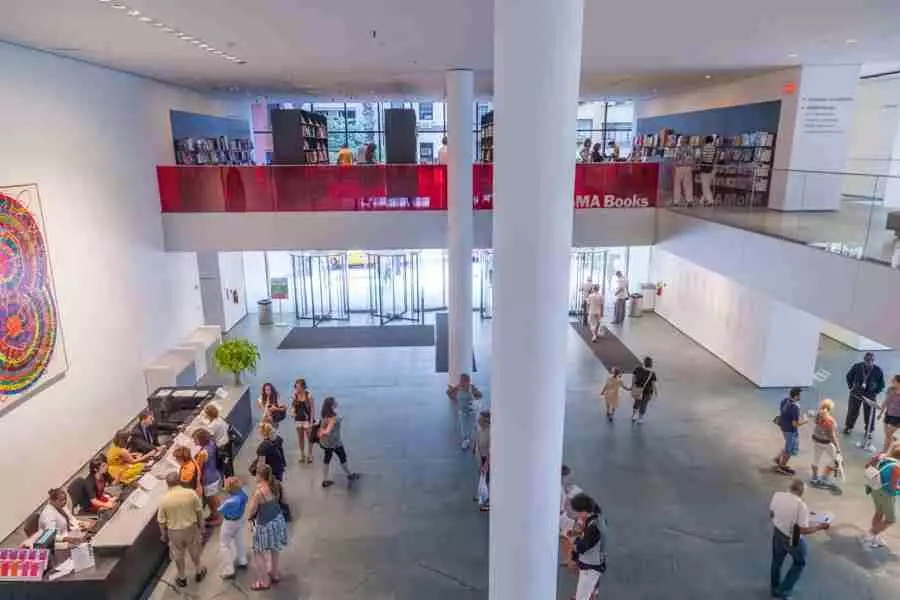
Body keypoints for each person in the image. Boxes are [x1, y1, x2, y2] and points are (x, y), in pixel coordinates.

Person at [769, 479, 830, 599]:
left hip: (778, 532)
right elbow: (803, 530)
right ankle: (784, 590)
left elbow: (771, 513)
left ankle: (774, 588)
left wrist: (782, 520)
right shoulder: (800, 506)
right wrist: (820, 527)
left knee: (777, 561)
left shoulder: (778, 495)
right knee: (799, 562)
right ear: (802, 491)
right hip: (793, 536)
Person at [158, 473, 207, 588]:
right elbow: (199, 511)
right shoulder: (190, 493)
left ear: (167, 484)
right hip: (191, 528)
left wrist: (163, 535)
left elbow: (161, 521)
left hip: (174, 532)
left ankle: (182, 577)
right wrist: (202, 526)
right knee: (194, 549)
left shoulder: (164, 499)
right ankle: (199, 571)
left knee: (178, 555)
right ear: (179, 481)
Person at [248, 464, 289, 591]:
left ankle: (264, 582)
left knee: (258, 552)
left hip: (264, 524)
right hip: (277, 520)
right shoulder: (277, 484)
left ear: (260, 475)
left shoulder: (259, 492)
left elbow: (252, 510)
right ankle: (274, 573)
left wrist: (249, 519)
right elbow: (286, 501)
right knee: (274, 547)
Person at [568, 493, 608, 600]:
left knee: (582, 597)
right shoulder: (598, 519)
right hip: (596, 564)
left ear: (584, 511)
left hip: (590, 567)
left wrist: (573, 541)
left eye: (577, 512)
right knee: (589, 593)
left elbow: (582, 547)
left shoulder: (593, 528)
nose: (576, 515)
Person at [862, 444, 900, 548]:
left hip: (875, 488)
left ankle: (874, 536)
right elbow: (893, 487)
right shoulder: (896, 467)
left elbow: (867, 466)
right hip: (886, 494)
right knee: (890, 519)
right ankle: (870, 535)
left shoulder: (882, 457)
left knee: (879, 512)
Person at [318, 397, 360, 488]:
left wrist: (321, 433)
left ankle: (324, 480)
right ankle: (349, 475)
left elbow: (322, 427)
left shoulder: (324, 415)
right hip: (334, 442)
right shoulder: (333, 418)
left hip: (325, 443)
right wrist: (324, 432)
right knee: (343, 457)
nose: (336, 402)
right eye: (335, 402)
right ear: (332, 405)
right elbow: (328, 431)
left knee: (327, 459)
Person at [844, 352, 885, 443]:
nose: (869, 362)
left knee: (870, 414)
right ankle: (848, 427)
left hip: (870, 396)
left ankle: (869, 431)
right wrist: (851, 387)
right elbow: (849, 376)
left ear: (874, 361)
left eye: (871, 361)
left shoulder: (878, 370)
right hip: (856, 393)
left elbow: (882, 384)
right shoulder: (857, 366)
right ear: (864, 360)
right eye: (867, 361)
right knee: (852, 411)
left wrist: (875, 392)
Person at [218, 476, 249, 579]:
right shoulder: (243, 494)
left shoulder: (229, 502)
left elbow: (220, 510)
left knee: (224, 544)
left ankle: (229, 570)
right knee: (239, 539)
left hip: (229, 523)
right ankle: (242, 560)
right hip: (240, 519)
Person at [191, 428, 222, 525]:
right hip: (214, 474)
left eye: (195, 439)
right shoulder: (211, 443)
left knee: (211, 500)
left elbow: (198, 467)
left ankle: (217, 518)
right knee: (214, 497)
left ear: (201, 439)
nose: (194, 441)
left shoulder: (203, 453)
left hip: (208, 480)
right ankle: (214, 515)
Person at [193, 403, 233, 477]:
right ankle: (231, 477)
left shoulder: (212, 426)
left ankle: (228, 481)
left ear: (209, 415)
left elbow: (208, 437)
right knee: (229, 463)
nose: (205, 416)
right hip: (227, 443)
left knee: (224, 465)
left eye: (206, 414)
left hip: (221, 447)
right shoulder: (219, 418)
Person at [774, 388, 807, 475]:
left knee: (789, 445)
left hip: (783, 427)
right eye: (799, 395)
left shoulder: (785, 400)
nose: (800, 396)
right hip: (790, 430)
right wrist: (805, 421)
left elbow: (783, 412)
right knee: (789, 449)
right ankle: (782, 467)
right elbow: (795, 424)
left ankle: (778, 458)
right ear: (796, 396)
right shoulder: (795, 407)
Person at [447, 373, 483, 450]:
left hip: (471, 411)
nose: (462, 382)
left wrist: (474, 395)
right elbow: (448, 392)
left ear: (468, 381)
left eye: (464, 381)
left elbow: (480, 395)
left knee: (470, 427)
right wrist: (455, 399)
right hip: (462, 411)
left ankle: (472, 440)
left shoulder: (472, 387)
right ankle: (466, 440)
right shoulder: (458, 387)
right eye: (461, 380)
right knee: (463, 428)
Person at [810, 399, 842, 487]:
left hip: (816, 440)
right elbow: (831, 436)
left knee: (816, 459)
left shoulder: (818, 415)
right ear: (830, 409)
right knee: (835, 460)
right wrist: (838, 447)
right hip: (825, 443)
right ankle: (824, 478)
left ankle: (814, 478)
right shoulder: (830, 420)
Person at [559, 465, 583, 568]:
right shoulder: (559, 488)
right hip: (561, 516)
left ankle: (571, 559)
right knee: (567, 538)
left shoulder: (559, 487)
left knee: (567, 538)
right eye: (567, 476)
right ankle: (571, 559)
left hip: (562, 516)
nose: (568, 479)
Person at [292, 378, 315, 464]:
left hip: (307, 420)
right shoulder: (295, 395)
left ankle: (310, 454)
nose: (297, 389)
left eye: (298, 387)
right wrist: (293, 412)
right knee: (300, 438)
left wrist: (311, 422)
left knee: (310, 438)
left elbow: (312, 410)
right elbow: (294, 406)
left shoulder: (309, 396)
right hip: (298, 420)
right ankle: (302, 454)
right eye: (296, 387)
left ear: (303, 387)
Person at [631, 356, 657, 424]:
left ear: (644, 362)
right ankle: (640, 419)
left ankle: (634, 415)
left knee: (636, 402)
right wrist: (656, 392)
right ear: (651, 364)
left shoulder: (638, 369)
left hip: (638, 389)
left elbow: (634, 378)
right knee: (644, 405)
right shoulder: (652, 373)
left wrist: (632, 386)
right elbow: (653, 384)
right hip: (647, 391)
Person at [474, 410, 491, 512]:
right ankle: (482, 495)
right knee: (483, 479)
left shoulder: (490, 433)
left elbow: (490, 449)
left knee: (487, 479)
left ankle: (488, 501)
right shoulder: (480, 431)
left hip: (486, 460)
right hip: (481, 459)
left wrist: (486, 463)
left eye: (481, 419)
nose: (479, 421)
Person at [879, 374, 900, 452]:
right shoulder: (890, 389)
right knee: (887, 435)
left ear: (898, 382)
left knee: (888, 434)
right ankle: (887, 449)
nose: (891, 381)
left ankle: (885, 452)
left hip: (898, 418)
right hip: (888, 414)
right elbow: (886, 401)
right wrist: (880, 413)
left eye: (894, 380)